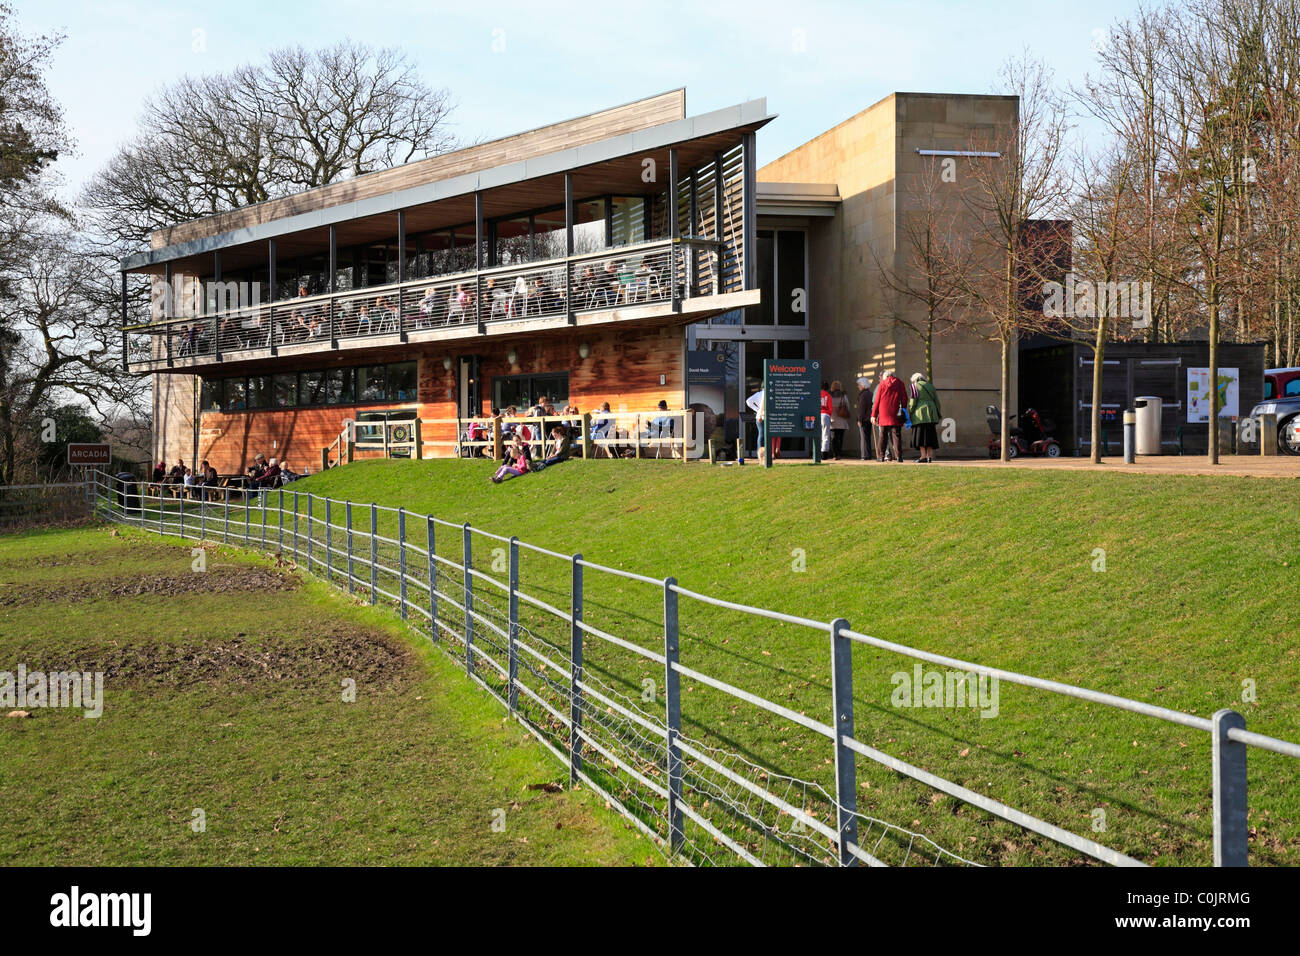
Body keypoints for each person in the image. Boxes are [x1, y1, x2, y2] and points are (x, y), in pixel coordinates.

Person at [871, 370, 907, 462]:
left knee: (882, 436)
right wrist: (903, 408)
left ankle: (881, 456)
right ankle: (899, 457)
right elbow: (904, 398)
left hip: (883, 413)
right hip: (896, 413)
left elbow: (877, 401)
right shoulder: (900, 383)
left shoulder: (881, 384)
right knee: (896, 435)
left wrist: (874, 415)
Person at [908, 372, 942, 463]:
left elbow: (913, 401)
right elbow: (937, 401)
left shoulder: (914, 386)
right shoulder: (931, 386)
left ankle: (923, 456)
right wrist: (938, 413)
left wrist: (910, 412)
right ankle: (929, 456)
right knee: (930, 435)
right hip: (931, 413)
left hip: (920, 413)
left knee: (920, 435)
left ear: (914, 380)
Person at [829, 380, 851, 460]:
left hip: (833, 420)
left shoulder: (829, 396)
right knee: (840, 438)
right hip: (842, 420)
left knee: (834, 438)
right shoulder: (843, 396)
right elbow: (848, 406)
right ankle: (839, 454)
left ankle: (835, 454)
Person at [855, 377, 875, 461]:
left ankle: (864, 455)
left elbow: (861, 409)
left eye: (859, 385)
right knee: (867, 438)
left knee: (863, 438)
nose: (858, 387)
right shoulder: (870, 393)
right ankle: (868, 454)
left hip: (864, 419)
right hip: (869, 418)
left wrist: (859, 419)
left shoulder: (863, 395)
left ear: (863, 385)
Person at [819, 381, 834, 459]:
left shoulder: (816, 394)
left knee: (818, 434)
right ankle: (824, 454)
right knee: (825, 435)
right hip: (825, 415)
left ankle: (817, 452)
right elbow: (830, 408)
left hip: (817, 415)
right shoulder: (828, 395)